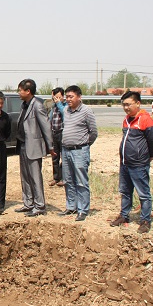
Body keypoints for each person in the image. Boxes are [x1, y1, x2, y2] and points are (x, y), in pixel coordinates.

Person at [110, 90, 153, 233]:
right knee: (125, 191)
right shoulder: (126, 120)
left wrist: (148, 155)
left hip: (139, 164)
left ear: (138, 103)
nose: (126, 108)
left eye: (128, 104)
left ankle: (145, 221)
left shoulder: (145, 119)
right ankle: (124, 216)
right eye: (124, 105)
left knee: (143, 193)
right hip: (125, 163)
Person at [14, 79, 55, 217]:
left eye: (20, 90)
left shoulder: (37, 105)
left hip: (33, 147)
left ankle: (39, 205)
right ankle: (28, 203)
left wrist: (50, 146)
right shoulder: (24, 105)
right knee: (25, 176)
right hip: (23, 145)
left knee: (35, 177)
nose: (19, 93)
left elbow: (46, 127)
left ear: (28, 91)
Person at [57, 85, 98, 221]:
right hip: (66, 150)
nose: (68, 99)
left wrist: (84, 144)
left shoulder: (86, 111)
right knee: (68, 180)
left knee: (81, 181)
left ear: (79, 97)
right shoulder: (66, 110)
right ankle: (71, 207)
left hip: (80, 151)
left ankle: (82, 209)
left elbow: (93, 132)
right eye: (67, 97)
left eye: (71, 96)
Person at [48, 87, 66, 187]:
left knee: (64, 157)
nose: (57, 99)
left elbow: (64, 114)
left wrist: (59, 104)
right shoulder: (53, 106)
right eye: (56, 97)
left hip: (62, 133)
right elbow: (49, 119)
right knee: (55, 156)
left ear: (63, 96)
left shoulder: (65, 106)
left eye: (59, 97)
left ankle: (63, 178)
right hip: (54, 134)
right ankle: (56, 177)